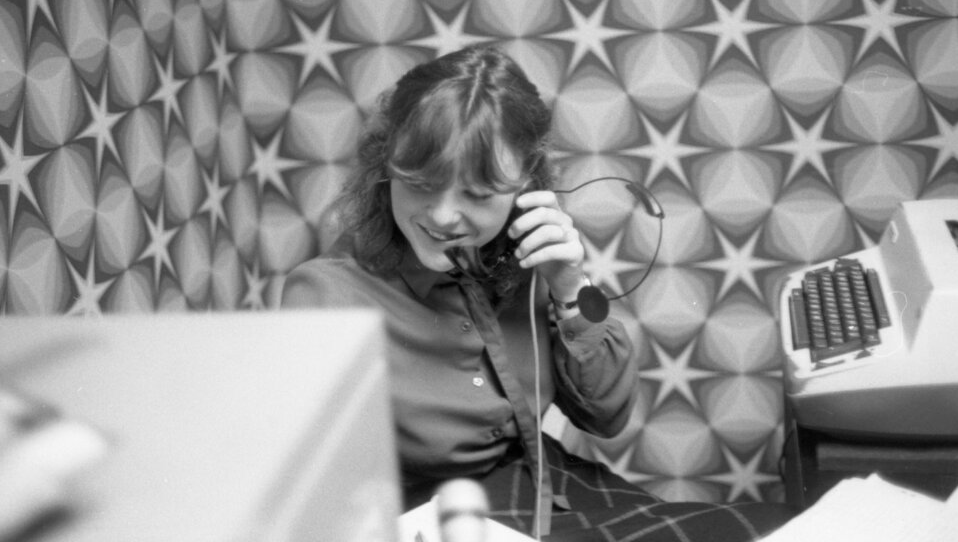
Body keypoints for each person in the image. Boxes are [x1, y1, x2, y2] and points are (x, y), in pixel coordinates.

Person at [281, 45, 795, 541]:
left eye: (478, 195)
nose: (442, 216)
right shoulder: (325, 294)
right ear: (384, 167)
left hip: (547, 483)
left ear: (526, 183)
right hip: (427, 519)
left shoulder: (528, 261)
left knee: (772, 527)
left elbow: (606, 416)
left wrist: (570, 284)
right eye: (418, 183)